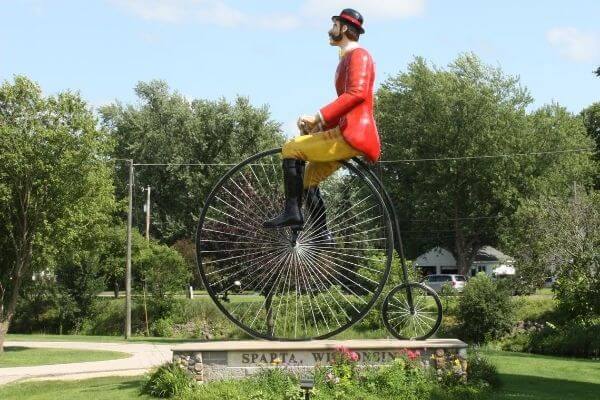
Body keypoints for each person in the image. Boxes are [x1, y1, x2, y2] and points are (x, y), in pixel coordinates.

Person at [263, 8, 380, 244]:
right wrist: (319, 129)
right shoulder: (346, 59)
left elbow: (356, 95)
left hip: (352, 134)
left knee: (290, 148)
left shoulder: (360, 56)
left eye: (334, 24)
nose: (331, 29)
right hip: (344, 131)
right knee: (307, 180)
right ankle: (322, 233)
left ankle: (292, 213)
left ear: (344, 28)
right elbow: (346, 105)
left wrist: (318, 117)